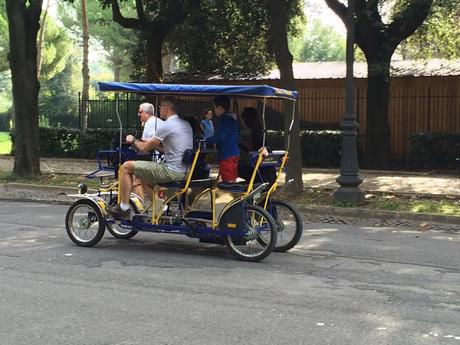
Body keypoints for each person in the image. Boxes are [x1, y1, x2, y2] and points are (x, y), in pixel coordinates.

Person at [108, 96, 193, 220]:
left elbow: (144, 148)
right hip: (186, 171)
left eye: (160, 108)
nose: (159, 111)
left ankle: (124, 208)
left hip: (172, 171)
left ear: (166, 108)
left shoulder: (167, 125)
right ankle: (161, 207)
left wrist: (133, 140)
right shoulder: (185, 124)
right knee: (143, 177)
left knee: (126, 167)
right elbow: (166, 148)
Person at [206, 95, 239, 183]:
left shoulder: (224, 119)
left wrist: (207, 140)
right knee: (232, 176)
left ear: (219, 108)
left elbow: (221, 136)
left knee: (228, 179)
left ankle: (230, 194)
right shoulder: (232, 118)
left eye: (215, 108)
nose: (214, 111)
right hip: (234, 151)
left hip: (226, 153)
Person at [238, 107, 276, 184]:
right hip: (268, 173)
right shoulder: (262, 132)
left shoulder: (256, 134)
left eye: (244, 121)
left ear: (248, 121)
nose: (243, 123)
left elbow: (255, 152)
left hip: (260, 173)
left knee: (235, 167)